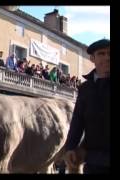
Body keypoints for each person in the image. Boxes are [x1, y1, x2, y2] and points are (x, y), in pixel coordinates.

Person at [64, 39, 110, 174]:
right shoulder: (85, 88)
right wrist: (70, 148)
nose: (107, 57)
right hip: (93, 162)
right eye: (101, 54)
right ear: (92, 58)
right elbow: (77, 121)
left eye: (110, 53)